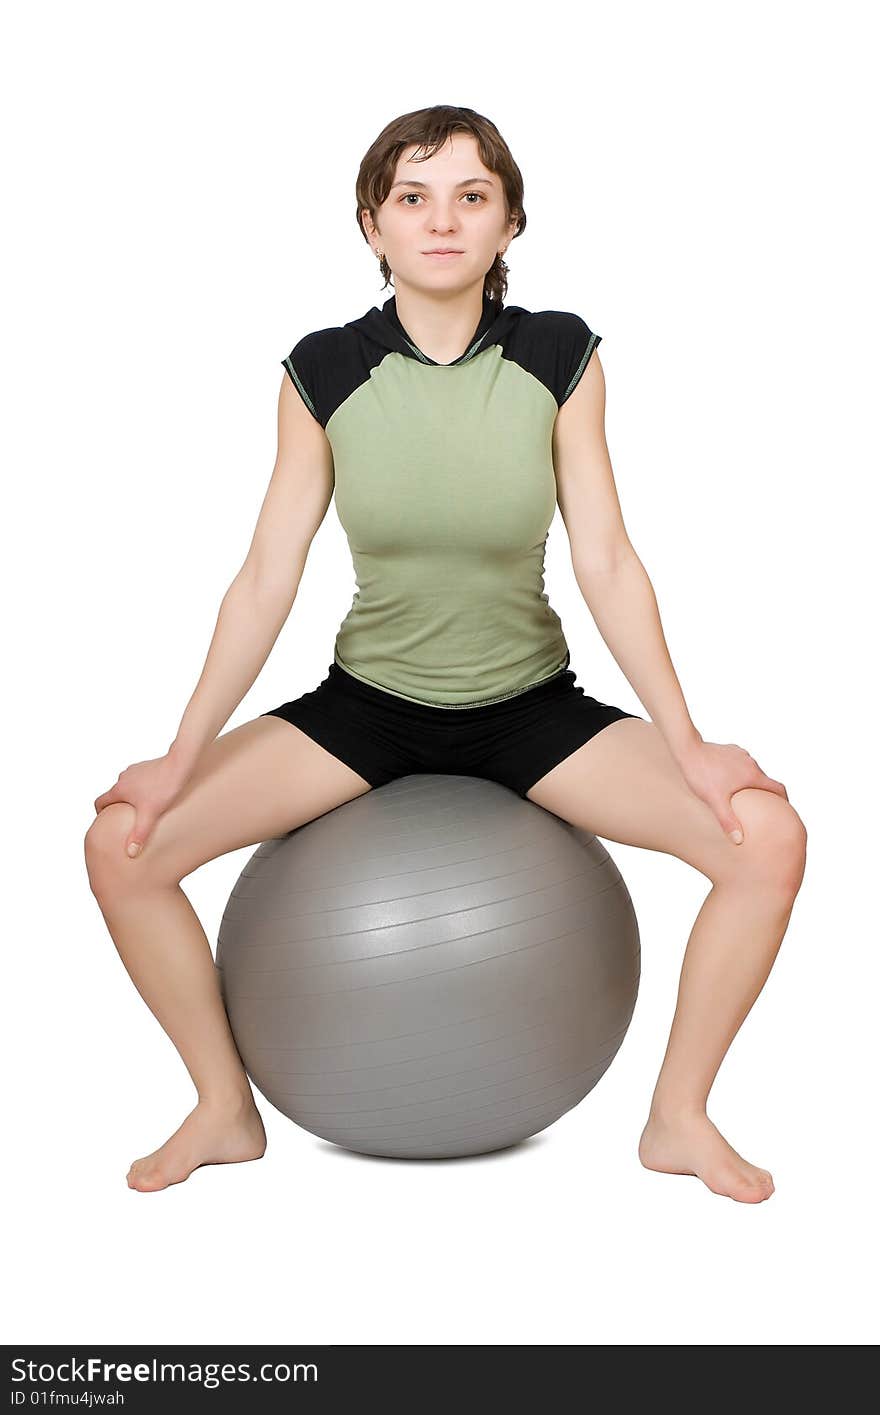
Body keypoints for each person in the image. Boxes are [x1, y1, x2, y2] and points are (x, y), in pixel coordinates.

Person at [85, 105, 806, 1202]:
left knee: (766, 837)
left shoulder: (560, 355)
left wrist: (688, 743)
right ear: (371, 224)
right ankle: (223, 1106)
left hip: (530, 708)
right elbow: (266, 575)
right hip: (369, 705)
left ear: (509, 222)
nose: (441, 221)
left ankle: (678, 1115)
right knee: (122, 847)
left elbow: (608, 560)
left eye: (471, 196)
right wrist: (180, 759)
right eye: (412, 198)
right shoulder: (322, 371)